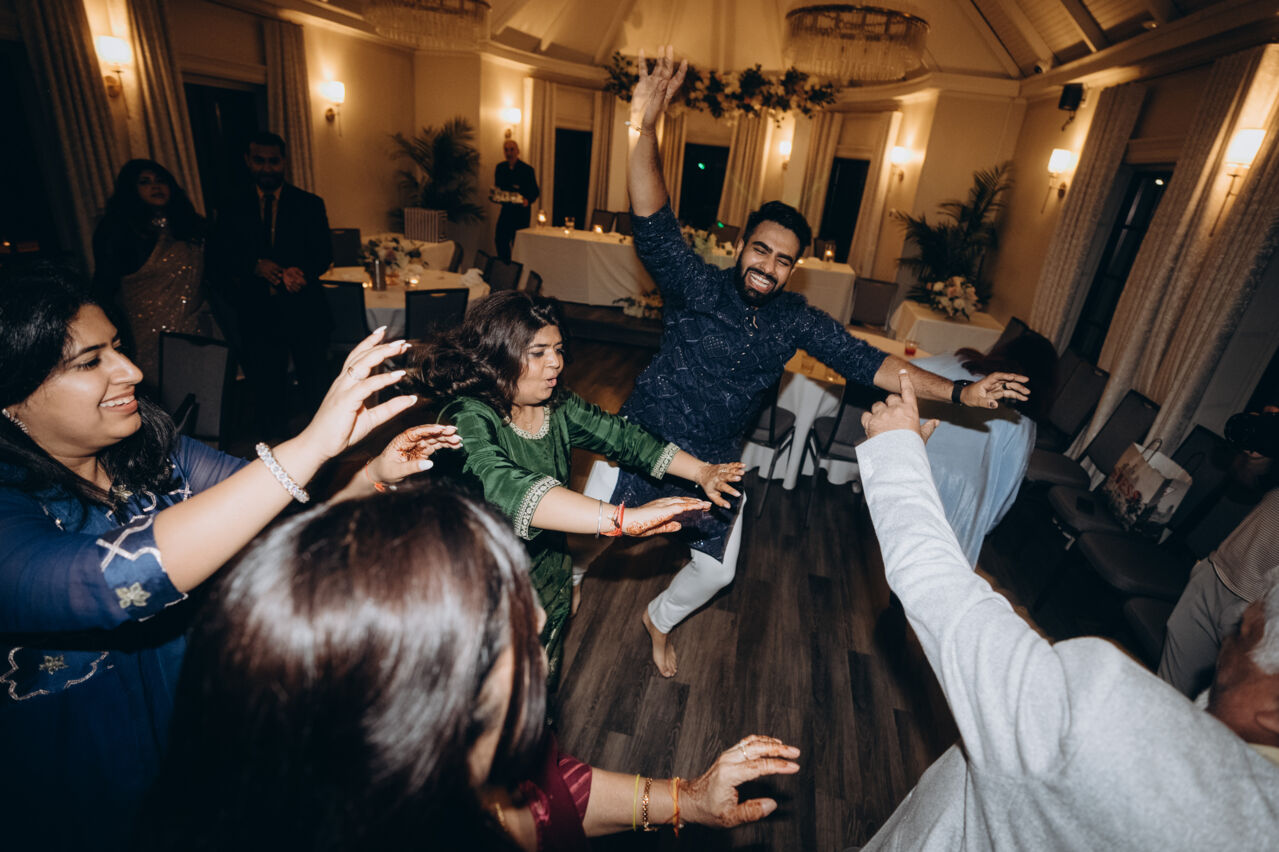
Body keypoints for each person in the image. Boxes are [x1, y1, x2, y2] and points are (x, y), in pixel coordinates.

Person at [590, 47, 1030, 677]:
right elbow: (653, 219)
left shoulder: (795, 319)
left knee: (716, 572)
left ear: (793, 268)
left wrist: (961, 394)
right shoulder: (695, 285)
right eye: (760, 250)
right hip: (641, 439)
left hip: (713, 465)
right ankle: (568, 581)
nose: (768, 267)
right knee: (589, 533)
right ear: (741, 246)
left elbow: (868, 363)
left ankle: (658, 620)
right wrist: (647, 127)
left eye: (782, 260)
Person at [0, 265, 458, 850]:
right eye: (91, 362)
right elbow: (104, 582)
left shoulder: (155, 452)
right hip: (81, 790)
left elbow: (277, 520)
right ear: (12, 395)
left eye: (117, 347)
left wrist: (373, 473)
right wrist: (309, 445)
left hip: (197, 741)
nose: (131, 370)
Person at [143, 482, 801, 851]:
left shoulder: (488, 744)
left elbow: (561, 793)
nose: (538, 619)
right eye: (505, 616)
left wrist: (689, 800)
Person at [852, 370, 1279, 850]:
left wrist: (896, 451)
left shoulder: (1100, 721)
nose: (1229, 638)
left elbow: (944, 595)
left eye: (1246, 635)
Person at [416, 291, 744, 687]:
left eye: (557, 349)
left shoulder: (555, 405)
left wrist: (703, 471)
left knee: (539, 688)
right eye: (538, 352)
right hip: (483, 590)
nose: (556, 362)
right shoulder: (464, 418)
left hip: (549, 572)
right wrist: (623, 520)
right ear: (498, 354)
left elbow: (626, 438)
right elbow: (503, 485)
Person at [208, 131, 334, 438]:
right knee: (267, 388)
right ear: (248, 161)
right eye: (260, 161)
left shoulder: (309, 203)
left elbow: (324, 254)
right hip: (257, 311)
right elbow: (220, 257)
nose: (267, 168)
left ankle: (325, 441)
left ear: (284, 162)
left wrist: (300, 271)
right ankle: (277, 449)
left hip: (304, 309)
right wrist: (255, 265)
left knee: (315, 383)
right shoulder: (231, 206)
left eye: (273, 161)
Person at [1158, 405, 1278, 697]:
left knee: (1223, 708)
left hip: (1266, 610)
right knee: (1167, 690)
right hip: (1221, 572)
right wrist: (1259, 450)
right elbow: (1244, 479)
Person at [912, 330, 1057, 565]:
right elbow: (1004, 489)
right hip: (954, 502)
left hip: (908, 466)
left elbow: (904, 374)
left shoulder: (956, 362)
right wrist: (982, 525)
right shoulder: (1022, 423)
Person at [92, 159, 215, 385]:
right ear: (131, 189)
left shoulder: (191, 225)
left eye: (160, 180)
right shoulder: (118, 231)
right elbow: (104, 285)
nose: (155, 186)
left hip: (194, 327)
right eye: (145, 182)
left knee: (201, 390)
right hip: (145, 333)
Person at [494, 139, 540, 261]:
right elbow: (498, 189)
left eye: (512, 149)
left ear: (518, 151)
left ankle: (517, 268)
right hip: (506, 211)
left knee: (519, 244)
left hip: (521, 213)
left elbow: (535, 191)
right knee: (500, 240)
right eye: (506, 150)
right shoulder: (500, 168)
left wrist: (527, 200)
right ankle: (505, 266)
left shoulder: (527, 170)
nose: (509, 153)